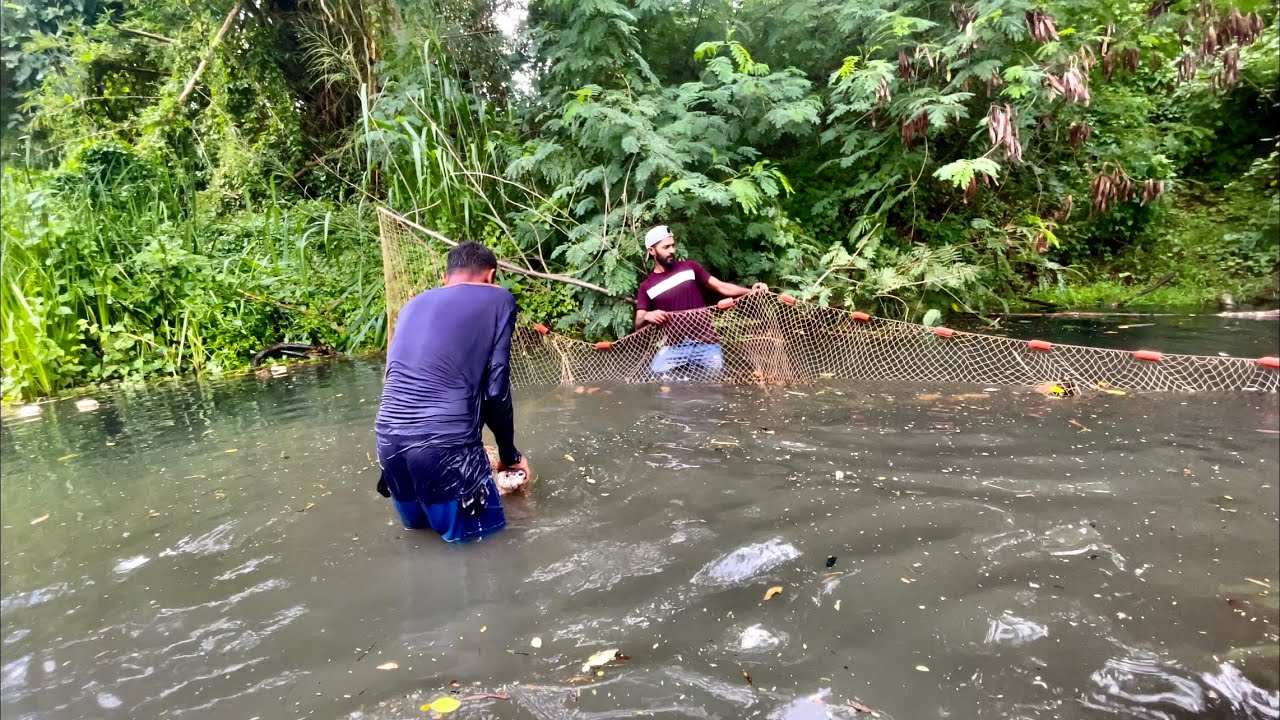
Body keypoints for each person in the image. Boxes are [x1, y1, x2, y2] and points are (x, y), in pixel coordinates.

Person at [374, 241, 531, 543]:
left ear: (445, 279)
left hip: (389, 443)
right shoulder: (498, 299)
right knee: (487, 550)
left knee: (419, 543)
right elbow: (495, 390)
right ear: (490, 277)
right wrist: (510, 455)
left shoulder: (412, 305)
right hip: (446, 450)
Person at [635, 225, 768, 377]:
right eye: (666, 247)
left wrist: (751, 291)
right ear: (652, 251)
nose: (672, 250)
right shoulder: (647, 286)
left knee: (714, 383)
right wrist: (647, 316)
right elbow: (639, 323)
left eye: (673, 245)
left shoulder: (690, 268)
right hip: (674, 348)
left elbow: (722, 287)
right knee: (655, 378)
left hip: (706, 344)